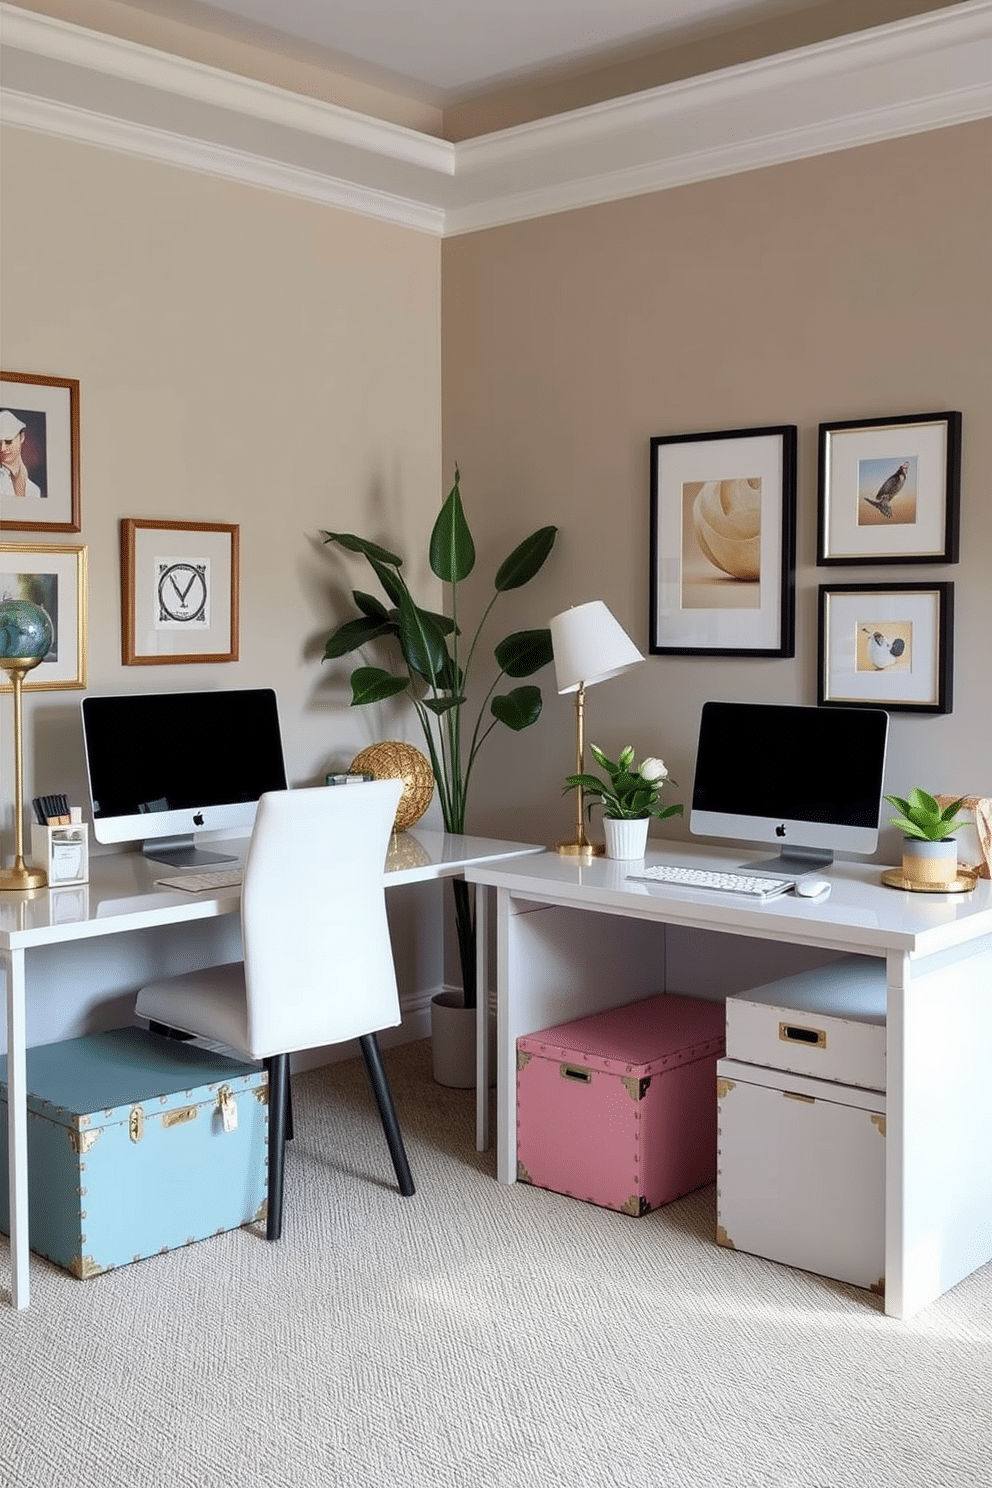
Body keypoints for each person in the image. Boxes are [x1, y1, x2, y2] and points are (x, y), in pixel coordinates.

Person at [0, 409, 42, 500]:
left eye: (8, 441)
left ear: (22, 437)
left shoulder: (34, 491)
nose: (2, 448)